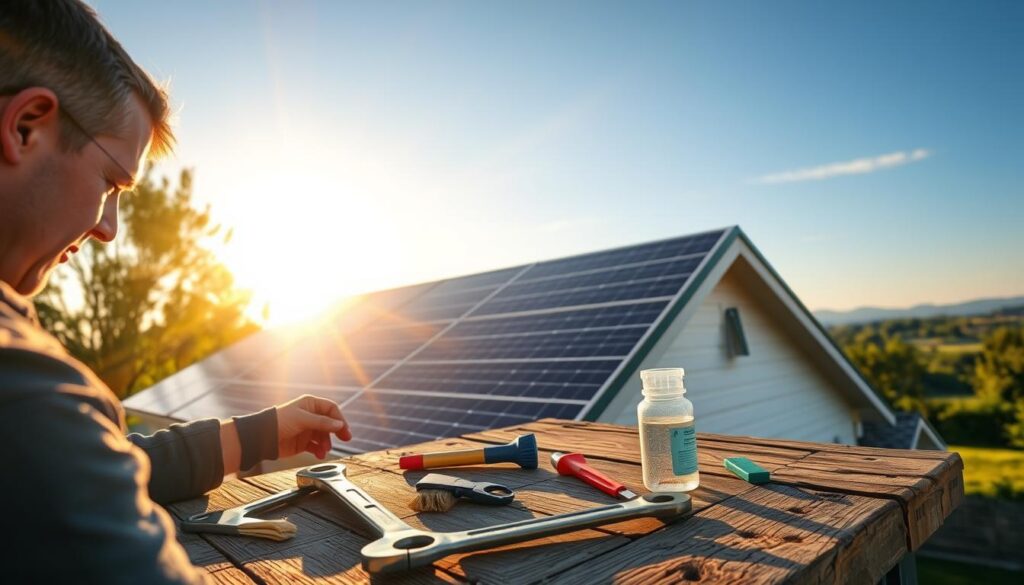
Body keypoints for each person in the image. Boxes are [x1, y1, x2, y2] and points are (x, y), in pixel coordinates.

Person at [0, 2, 352, 582]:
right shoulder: (27, 398)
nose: (108, 227)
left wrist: (259, 431)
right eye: (111, 182)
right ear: (25, 125)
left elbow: (100, 466)